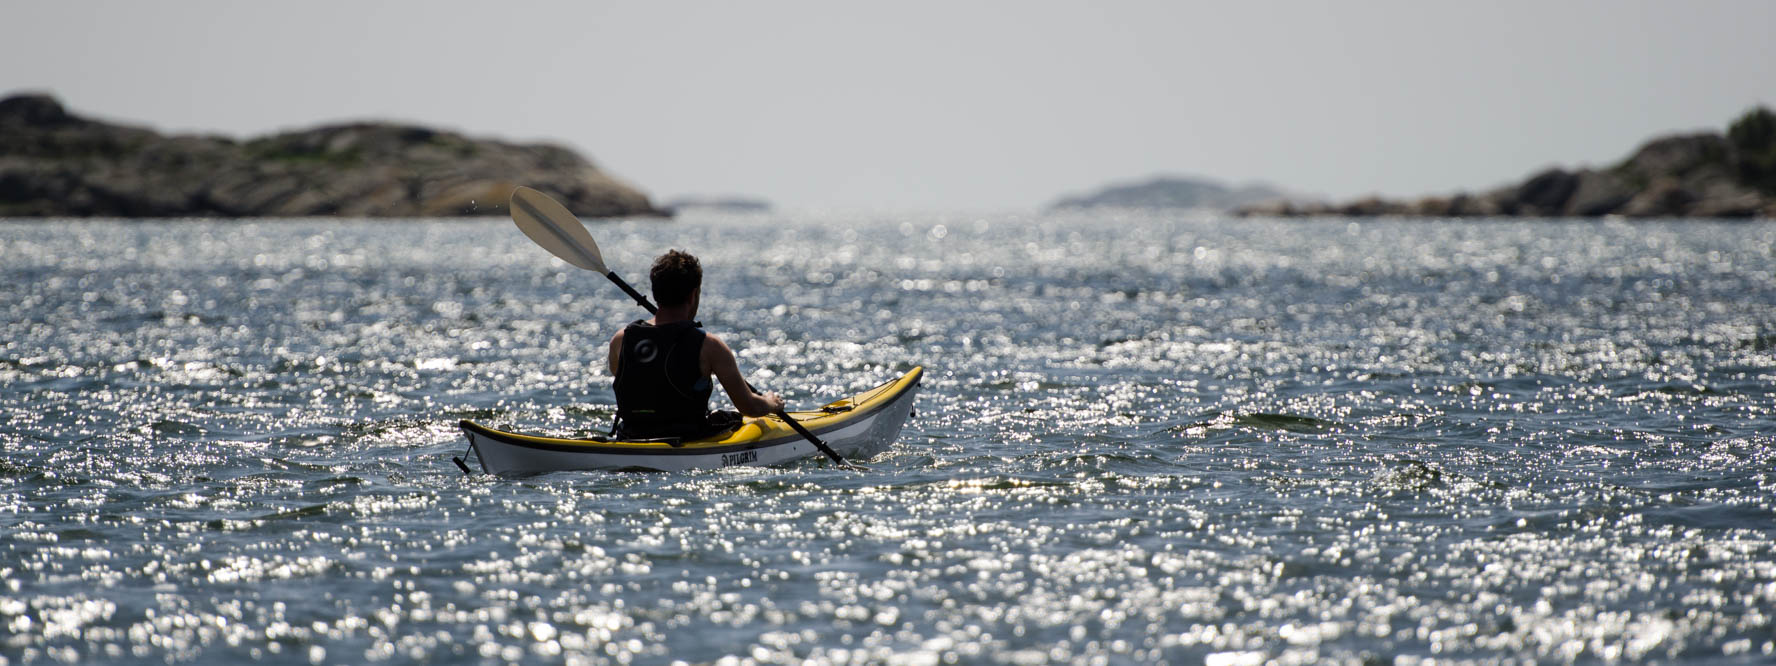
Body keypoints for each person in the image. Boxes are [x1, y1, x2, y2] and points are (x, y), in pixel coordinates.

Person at [607, 250, 784, 439]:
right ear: (693, 295)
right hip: (687, 439)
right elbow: (749, 407)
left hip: (629, 437)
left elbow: (631, 378)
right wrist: (770, 402)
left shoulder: (622, 339)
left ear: (655, 292)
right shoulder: (710, 346)